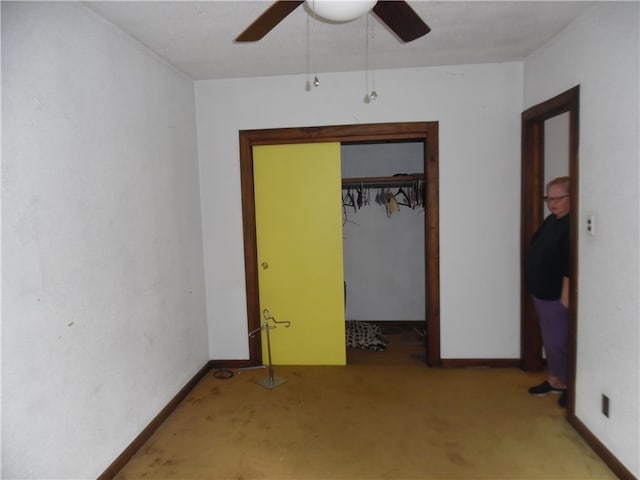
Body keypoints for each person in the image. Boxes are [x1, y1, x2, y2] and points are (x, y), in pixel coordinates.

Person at [525, 176, 571, 408]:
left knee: (560, 341)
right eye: (549, 198)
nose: (552, 203)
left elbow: (570, 262)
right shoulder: (552, 221)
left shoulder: (571, 225)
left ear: (572, 197)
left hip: (556, 294)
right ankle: (555, 379)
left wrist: (566, 292)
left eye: (558, 198)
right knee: (551, 340)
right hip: (540, 291)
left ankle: (566, 384)